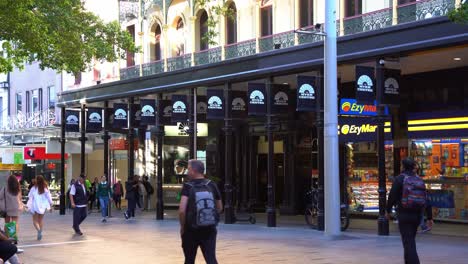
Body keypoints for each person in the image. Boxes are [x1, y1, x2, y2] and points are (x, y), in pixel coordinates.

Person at [386, 158, 433, 264]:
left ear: (403, 166)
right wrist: (429, 217)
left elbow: (392, 196)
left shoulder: (399, 179)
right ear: (414, 167)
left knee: (409, 242)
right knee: (409, 240)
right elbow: (427, 199)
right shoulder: (419, 180)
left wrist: (387, 211)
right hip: (417, 215)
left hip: (404, 214)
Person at [179, 159, 223, 264]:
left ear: (193, 170)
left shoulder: (188, 186)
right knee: (211, 259)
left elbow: (181, 210)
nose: (187, 171)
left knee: (189, 260)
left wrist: (182, 227)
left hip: (191, 229)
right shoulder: (212, 185)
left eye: (188, 169)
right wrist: (209, 217)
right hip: (209, 229)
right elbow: (220, 207)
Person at [27, 175, 53, 241]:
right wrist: (50, 205)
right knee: (40, 220)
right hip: (43, 206)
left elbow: (30, 196)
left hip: (35, 206)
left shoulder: (34, 188)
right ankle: (40, 232)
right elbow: (49, 197)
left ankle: (38, 231)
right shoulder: (45, 188)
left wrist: (28, 205)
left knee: (34, 221)